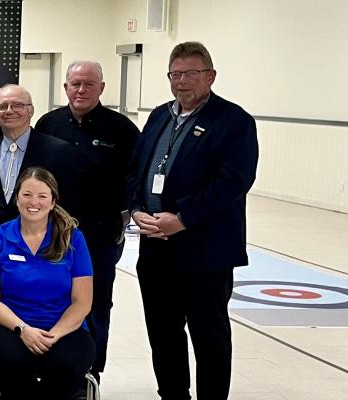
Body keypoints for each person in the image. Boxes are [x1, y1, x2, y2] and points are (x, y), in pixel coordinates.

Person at [128, 41, 258, 400]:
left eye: (191, 73)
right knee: (162, 333)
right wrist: (136, 208)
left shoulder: (233, 122)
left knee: (208, 337)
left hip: (205, 252)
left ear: (210, 76)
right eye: (175, 74)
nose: (182, 81)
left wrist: (183, 219)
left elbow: (233, 182)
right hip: (155, 249)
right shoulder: (159, 116)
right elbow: (135, 170)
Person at [32, 60, 140, 380]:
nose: (81, 90)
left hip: (99, 237)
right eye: (75, 84)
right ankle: (51, 368)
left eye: (89, 84)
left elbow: (136, 178)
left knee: (96, 303)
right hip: (52, 234)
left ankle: (91, 372)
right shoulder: (48, 124)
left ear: (101, 88)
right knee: (51, 298)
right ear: (65, 87)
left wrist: (128, 214)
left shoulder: (122, 130)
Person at [0, 167, 95, 400]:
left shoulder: (73, 238)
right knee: (12, 366)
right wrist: (23, 329)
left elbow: (82, 302)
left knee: (66, 368)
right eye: (27, 194)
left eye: (42, 196)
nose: (34, 202)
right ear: (17, 198)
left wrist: (53, 335)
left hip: (64, 331)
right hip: (9, 328)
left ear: (53, 202)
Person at [0, 85, 75, 295]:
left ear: (31, 110)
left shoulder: (59, 151)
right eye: (2, 106)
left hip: (43, 251)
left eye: (17, 105)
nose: (9, 111)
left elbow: (67, 203)